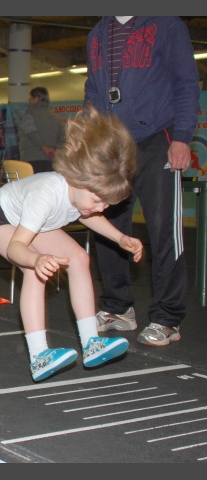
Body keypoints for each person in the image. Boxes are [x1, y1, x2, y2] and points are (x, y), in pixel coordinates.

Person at [0, 106, 142, 382]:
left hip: (33, 221)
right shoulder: (46, 195)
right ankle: (39, 356)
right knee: (34, 270)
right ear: (77, 181)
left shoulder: (83, 196)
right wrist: (36, 259)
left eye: (106, 204)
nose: (100, 208)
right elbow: (17, 247)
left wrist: (120, 237)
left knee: (79, 258)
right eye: (97, 201)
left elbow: (89, 215)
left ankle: (91, 343)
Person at [84, 16, 201, 347]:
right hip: (113, 145)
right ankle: (118, 308)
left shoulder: (167, 25)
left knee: (164, 230)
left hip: (157, 139)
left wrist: (182, 137)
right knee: (106, 226)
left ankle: (167, 318)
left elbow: (186, 83)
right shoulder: (97, 33)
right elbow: (93, 89)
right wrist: (91, 138)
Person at [18, 86, 65, 173]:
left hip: (31, 159)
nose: (29, 100)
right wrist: (54, 151)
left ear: (37, 98)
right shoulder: (55, 117)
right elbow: (62, 138)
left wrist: (45, 148)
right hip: (51, 160)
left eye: (31, 97)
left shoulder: (29, 113)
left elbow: (31, 132)